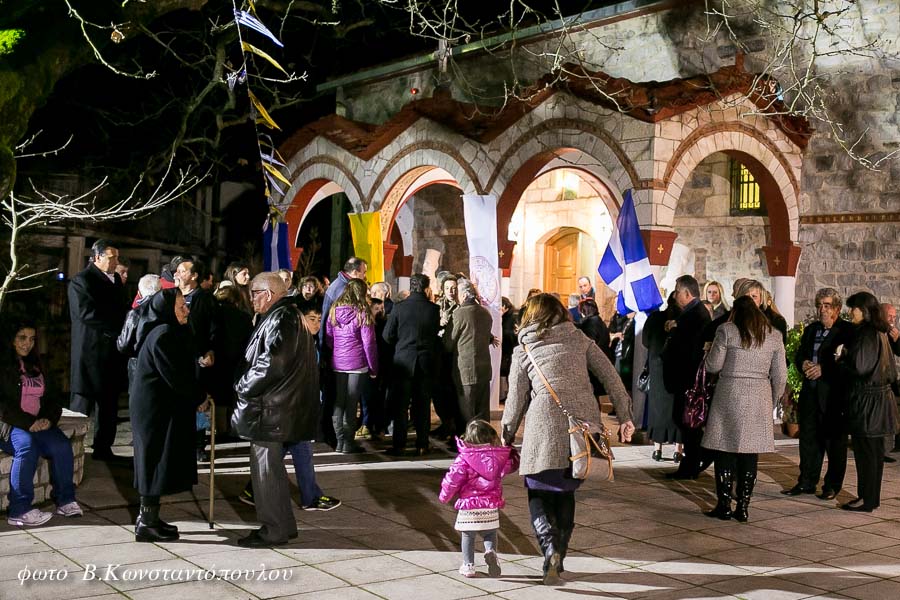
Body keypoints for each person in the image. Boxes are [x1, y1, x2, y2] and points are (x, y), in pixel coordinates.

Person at [501, 294, 634, 585]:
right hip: (581, 429)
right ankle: (560, 551)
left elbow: (515, 399)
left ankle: (549, 549)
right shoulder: (580, 339)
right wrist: (625, 416)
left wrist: (506, 435)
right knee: (565, 490)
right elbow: (611, 377)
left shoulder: (524, 349)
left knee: (538, 490)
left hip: (542, 429)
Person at [232, 273, 321, 547]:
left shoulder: (282, 317)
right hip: (278, 409)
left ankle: (273, 529)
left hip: (271, 410)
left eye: (254, 292)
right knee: (272, 472)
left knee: (266, 473)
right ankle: (282, 526)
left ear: (268, 294)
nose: (251, 298)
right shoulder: (288, 316)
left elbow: (273, 362)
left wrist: (243, 384)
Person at [239, 297, 341, 513]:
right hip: (291, 408)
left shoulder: (308, 341)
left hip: (296, 408)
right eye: (311, 319)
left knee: (289, 450)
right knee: (298, 450)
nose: (315, 324)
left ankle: (254, 490)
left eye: (318, 320)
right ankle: (309, 497)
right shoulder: (293, 339)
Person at [701, 296, 787, 522]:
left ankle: (724, 505)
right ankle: (744, 506)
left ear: (735, 311)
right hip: (759, 395)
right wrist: (774, 398)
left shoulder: (727, 330)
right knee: (750, 453)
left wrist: (707, 353)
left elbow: (714, 365)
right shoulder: (774, 335)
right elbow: (780, 375)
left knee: (724, 450)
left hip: (730, 392)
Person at [129, 289, 200, 542]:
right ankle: (147, 523)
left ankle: (150, 518)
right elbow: (176, 377)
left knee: (155, 461)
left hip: (159, 409)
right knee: (152, 462)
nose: (186, 310)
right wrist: (199, 397)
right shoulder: (163, 335)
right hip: (154, 412)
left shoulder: (167, 332)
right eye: (181, 307)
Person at [1, 322, 83, 527]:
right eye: (22, 338)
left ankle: (66, 501)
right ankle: (19, 510)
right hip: (11, 425)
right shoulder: (2, 365)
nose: (27, 344)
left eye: (32, 339)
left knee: (62, 445)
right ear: (11, 339)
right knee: (27, 447)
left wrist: (47, 418)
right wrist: (29, 423)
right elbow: (2, 406)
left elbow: (53, 399)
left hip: (37, 423)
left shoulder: (38, 364)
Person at [783, 288, 850, 499]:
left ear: (837, 309)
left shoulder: (846, 331)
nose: (822, 309)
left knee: (834, 445)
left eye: (827, 305)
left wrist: (823, 369)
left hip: (833, 397)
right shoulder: (812, 329)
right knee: (809, 441)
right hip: (810, 394)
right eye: (819, 305)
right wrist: (803, 362)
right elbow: (800, 352)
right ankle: (806, 482)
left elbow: (849, 363)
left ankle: (832, 486)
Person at [837, 291, 898, 513]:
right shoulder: (880, 331)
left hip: (868, 401)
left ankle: (867, 499)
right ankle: (870, 498)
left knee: (867, 454)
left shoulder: (866, 333)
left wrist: (842, 360)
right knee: (873, 454)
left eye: (853, 308)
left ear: (863, 310)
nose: (850, 312)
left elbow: (860, 368)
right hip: (878, 399)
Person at [68, 239, 129, 461]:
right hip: (89, 352)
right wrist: (116, 328)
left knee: (109, 405)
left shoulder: (116, 282)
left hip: (111, 354)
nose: (116, 262)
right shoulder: (81, 281)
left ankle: (103, 447)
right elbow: (85, 313)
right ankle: (71, 449)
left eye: (117, 258)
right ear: (97, 257)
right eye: (112, 258)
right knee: (81, 406)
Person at [439, 420, 520, 578]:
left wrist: (444, 496)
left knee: (468, 535)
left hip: (469, 506)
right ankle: (490, 552)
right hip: (490, 505)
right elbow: (512, 465)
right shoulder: (499, 459)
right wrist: (510, 451)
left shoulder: (464, 459)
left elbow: (452, 479)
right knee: (490, 534)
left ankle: (468, 565)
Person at [383, 273, 440, 457]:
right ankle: (422, 444)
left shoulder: (400, 308)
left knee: (401, 405)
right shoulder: (433, 309)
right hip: (425, 362)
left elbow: (387, 335)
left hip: (403, 360)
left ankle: (399, 444)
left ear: (411, 286)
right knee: (422, 404)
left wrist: (400, 345)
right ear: (426, 287)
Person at [662, 275, 712, 479]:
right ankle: (693, 461)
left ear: (686, 293)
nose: (675, 296)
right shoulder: (689, 314)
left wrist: (675, 331)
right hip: (684, 379)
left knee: (688, 422)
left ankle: (695, 460)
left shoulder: (696, 316)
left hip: (688, 379)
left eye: (677, 291)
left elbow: (689, 349)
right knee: (683, 421)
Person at [324, 279, 378, 454]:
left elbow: (329, 337)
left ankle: (339, 441)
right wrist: (373, 367)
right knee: (351, 403)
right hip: (357, 363)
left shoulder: (334, 311)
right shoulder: (363, 312)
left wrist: (337, 353)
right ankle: (348, 443)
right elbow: (369, 343)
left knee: (339, 402)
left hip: (338, 363)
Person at [444, 279, 495, 440]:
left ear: (465, 294)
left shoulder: (460, 313)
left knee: (467, 407)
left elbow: (449, 342)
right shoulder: (485, 313)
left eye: (458, 292)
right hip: (483, 367)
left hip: (466, 369)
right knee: (482, 408)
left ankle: (468, 441)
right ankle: (484, 440)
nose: (456, 296)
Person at [642, 293, 683, 462]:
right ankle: (678, 450)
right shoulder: (686, 320)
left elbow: (645, 341)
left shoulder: (654, 318)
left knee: (657, 409)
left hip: (657, 368)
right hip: (679, 369)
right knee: (678, 409)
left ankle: (657, 448)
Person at [578, 298, 613, 397]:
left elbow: (588, 343)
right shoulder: (600, 322)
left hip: (591, 364)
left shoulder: (589, 324)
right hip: (602, 360)